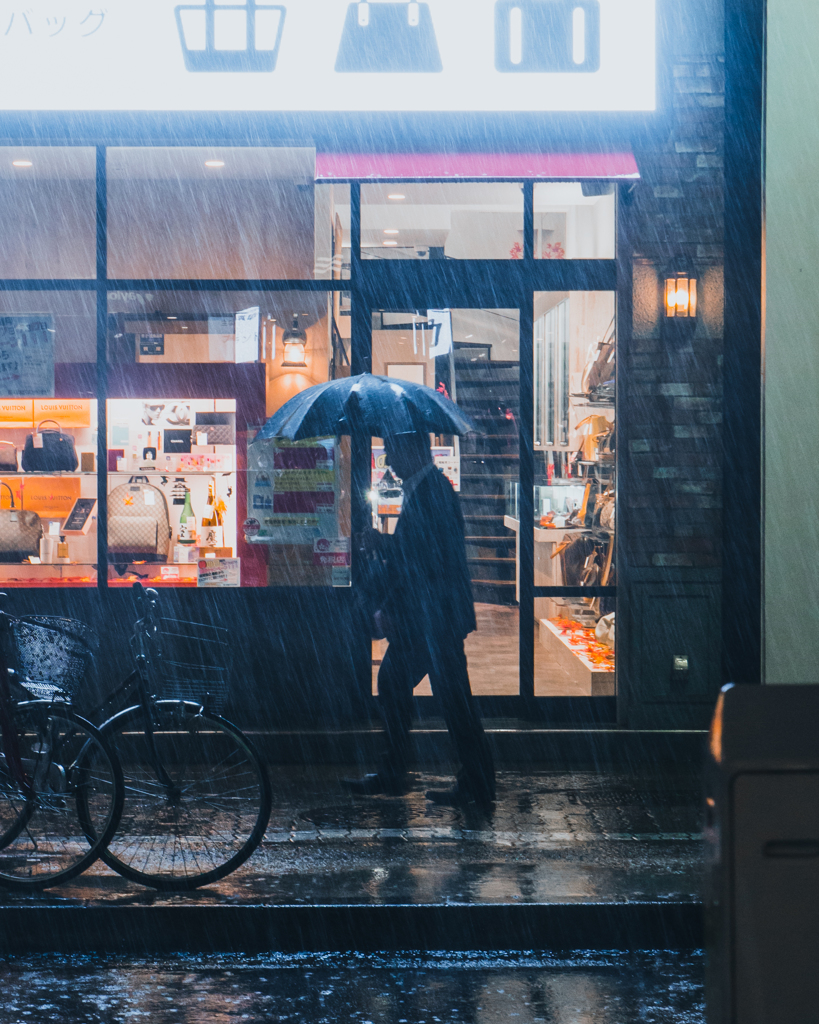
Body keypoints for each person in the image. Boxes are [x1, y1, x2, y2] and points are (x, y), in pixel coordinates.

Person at [343, 430, 496, 809]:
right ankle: (413, 774)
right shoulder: (430, 488)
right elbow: (418, 553)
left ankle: (461, 781)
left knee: (444, 697)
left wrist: (390, 606)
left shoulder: (433, 492)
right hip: (431, 616)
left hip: (433, 617)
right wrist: (385, 544)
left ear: (413, 451)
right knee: (409, 687)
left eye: (394, 451)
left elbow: (424, 563)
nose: (390, 461)